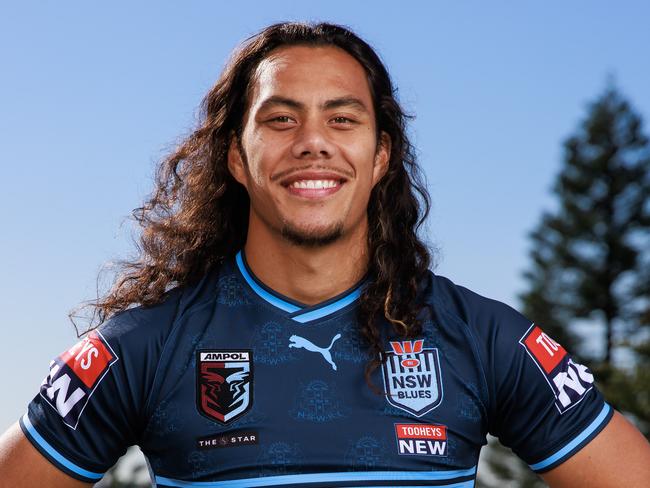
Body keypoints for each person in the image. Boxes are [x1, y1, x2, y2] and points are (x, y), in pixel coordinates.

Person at [0, 21, 648, 488]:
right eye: (280, 119)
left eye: (342, 119)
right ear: (236, 157)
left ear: (381, 157)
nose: (313, 142)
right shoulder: (143, 347)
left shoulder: (483, 339)